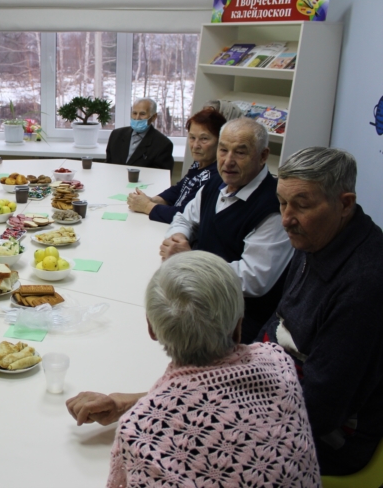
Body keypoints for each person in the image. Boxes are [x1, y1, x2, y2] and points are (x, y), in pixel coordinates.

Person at [66, 251, 320, 487]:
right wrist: (129, 404)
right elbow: (214, 399)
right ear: (238, 327)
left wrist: (140, 407)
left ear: (152, 329)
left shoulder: (140, 431)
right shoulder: (278, 362)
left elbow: (202, 405)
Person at [259, 147, 383, 475]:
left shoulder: (365, 283)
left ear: (345, 203)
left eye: (301, 205)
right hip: (282, 387)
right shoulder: (316, 236)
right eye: (282, 203)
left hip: (332, 436)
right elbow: (277, 322)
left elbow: (320, 409)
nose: (286, 218)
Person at [159, 117, 293, 341]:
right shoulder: (215, 184)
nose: (228, 161)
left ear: (262, 156)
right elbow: (184, 218)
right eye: (223, 150)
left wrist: (191, 261)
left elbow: (253, 279)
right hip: (197, 296)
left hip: (234, 321)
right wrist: (177, 239)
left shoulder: (273, 207)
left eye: (240, 153)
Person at [127, 107, 225, 223]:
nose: (195, 145)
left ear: (220, 141)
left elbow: (185, 215)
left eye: (204, 139)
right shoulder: (200, 163)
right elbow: (179, 189)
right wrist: (151, 200)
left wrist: (147, 206)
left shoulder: (217, 176)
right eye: (192, 138)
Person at [105, 98, 174, 171]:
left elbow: (162, 177)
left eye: (142, 114)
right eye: (134, 113)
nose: (137, 118)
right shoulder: (116, 135)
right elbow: (108, 166)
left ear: (154, 117)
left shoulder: (163, 144)